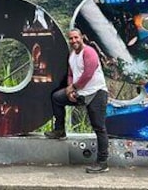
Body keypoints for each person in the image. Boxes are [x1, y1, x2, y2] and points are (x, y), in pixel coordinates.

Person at [45, 28, 110, 174]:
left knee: (99, 127)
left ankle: (102, 162)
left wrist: (73, 87)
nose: (74, 41)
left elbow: (88, 74)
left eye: (76, 38)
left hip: (96, 93)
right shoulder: (72, 55)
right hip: (79, 92)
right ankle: (60, 130)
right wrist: (70, 89)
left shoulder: (89, 52)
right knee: (57, 98)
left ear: (82, 37)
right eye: (71, 39)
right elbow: (70, 73)